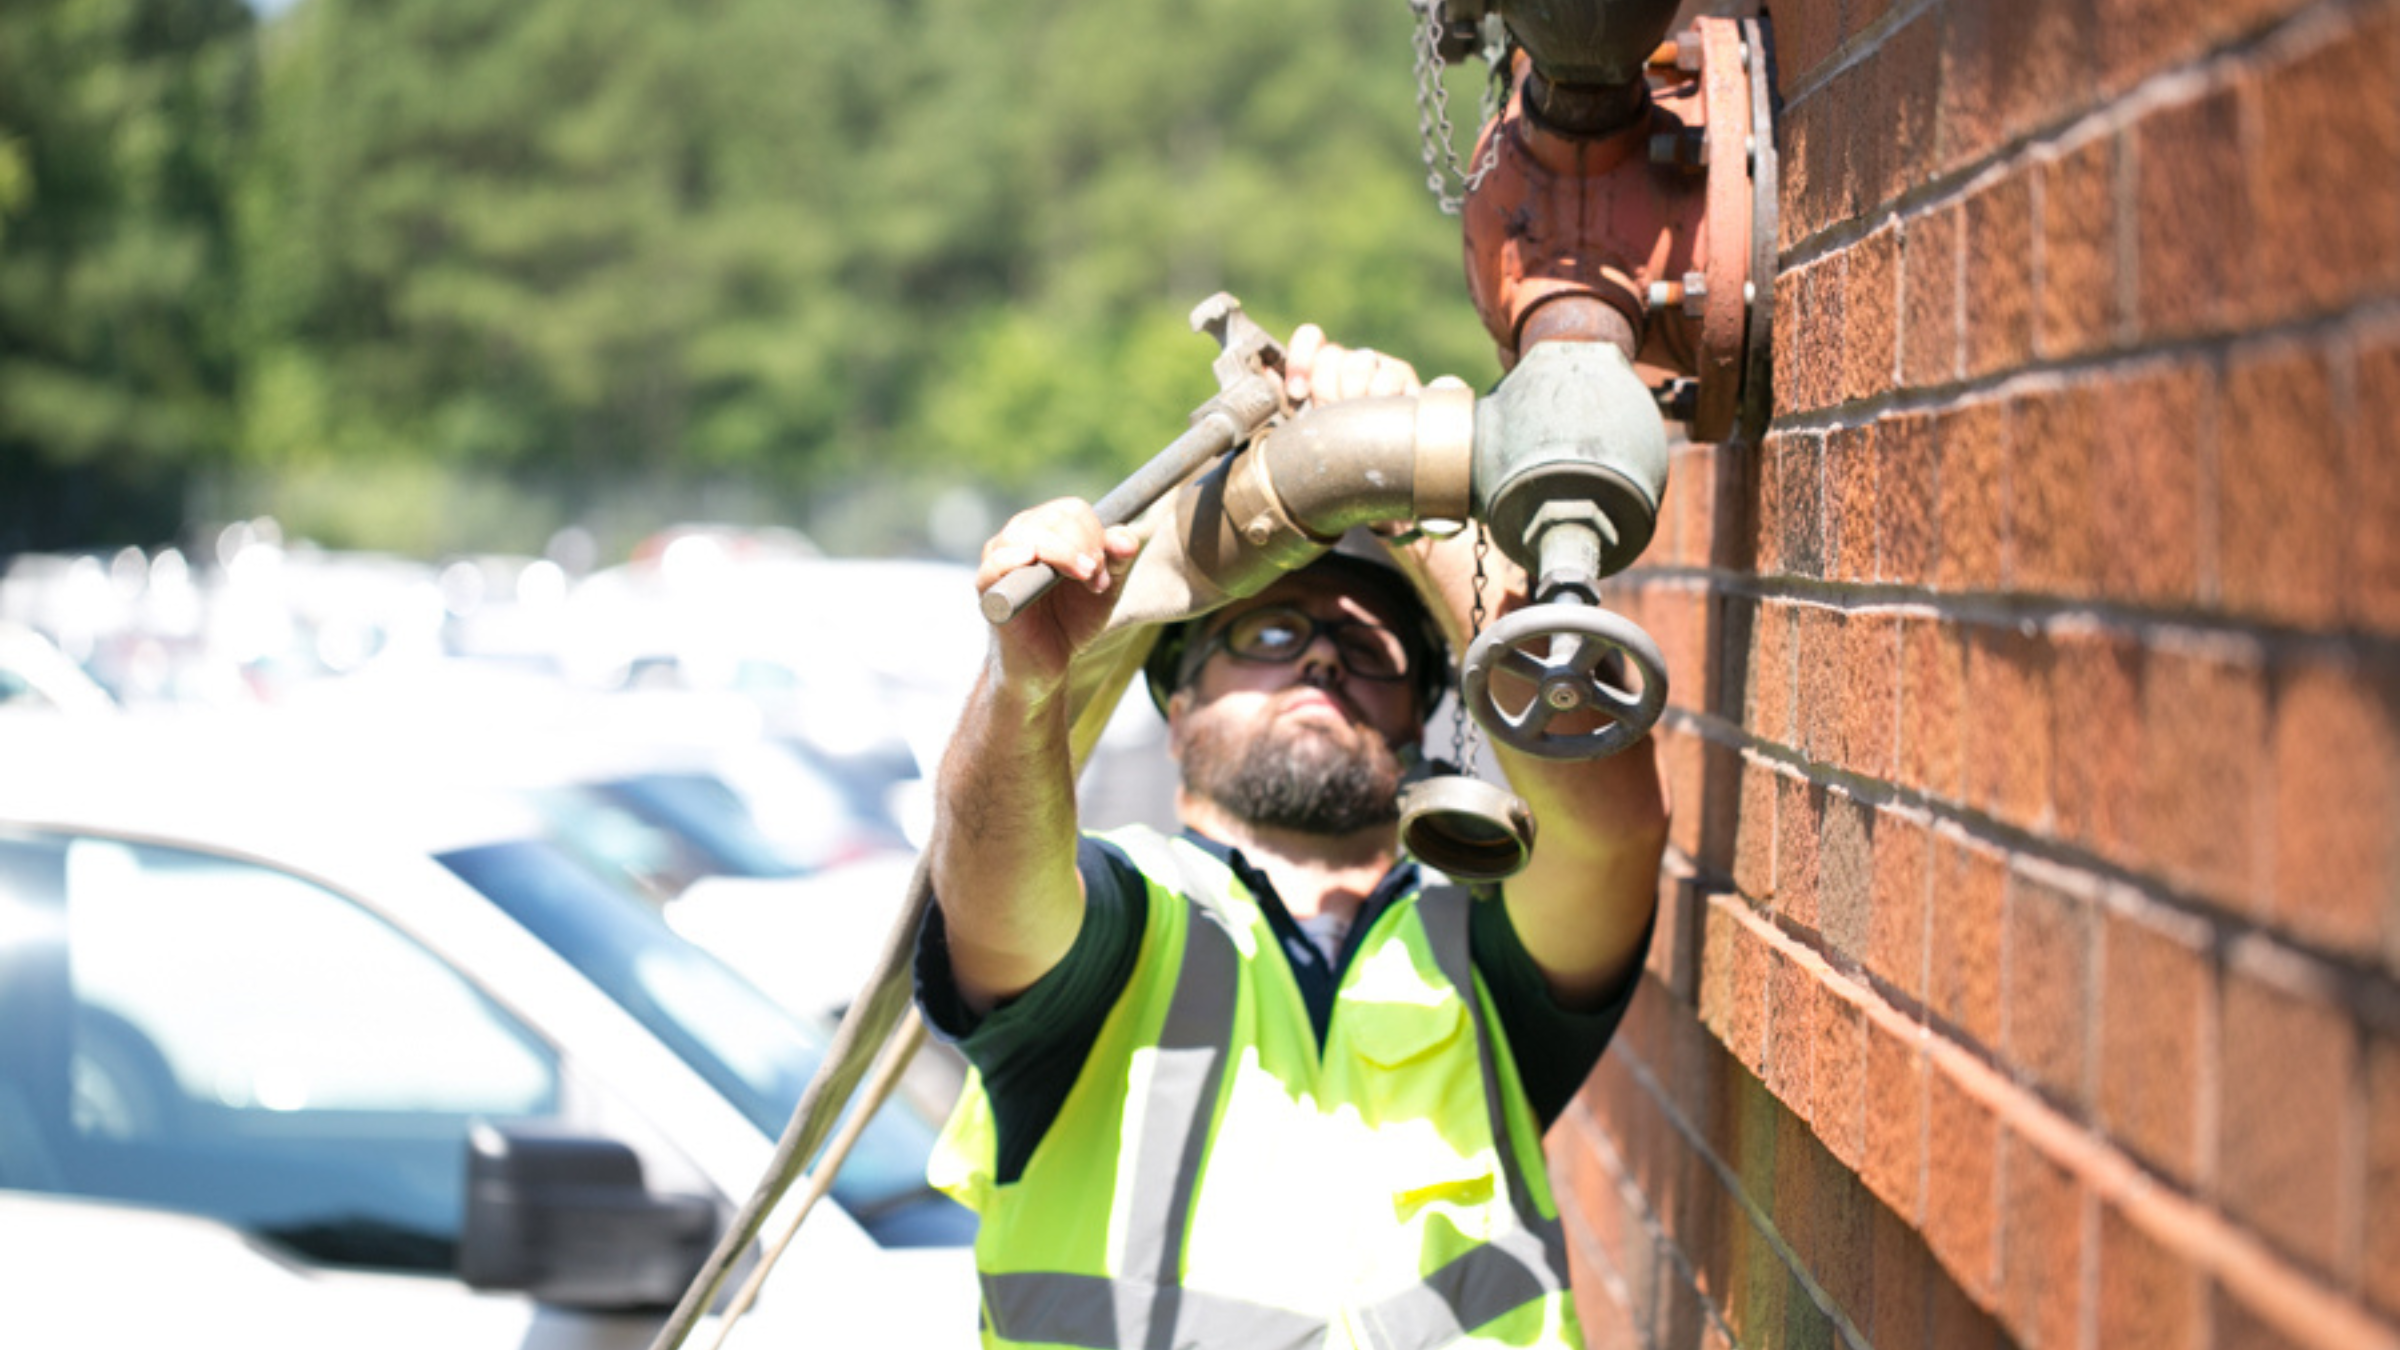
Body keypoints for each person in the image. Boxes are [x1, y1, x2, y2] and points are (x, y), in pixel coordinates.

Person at [914, 327, 1671, 1349]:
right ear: (1177, 708)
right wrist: (1024, 686)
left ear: (1421, 715)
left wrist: (1412, 490)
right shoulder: (1130, 924)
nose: (1320, 662)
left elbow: (1611, 833)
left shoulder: (1481, 957)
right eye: (1268, 637)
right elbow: (996, 892)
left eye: (1367, 648)